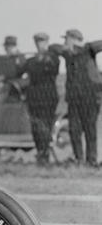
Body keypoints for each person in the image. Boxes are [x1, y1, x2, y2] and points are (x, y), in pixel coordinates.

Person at [50, 29, 102, 165]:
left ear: (74, 38)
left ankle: (91, 160)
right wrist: (68, 48)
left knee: (90, 130)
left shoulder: (88, 50)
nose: (64, 41)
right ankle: (79, 159)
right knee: (74, 130)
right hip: (74, 99)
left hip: (90, 98)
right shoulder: (67, 54)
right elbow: (53, 47)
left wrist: (84, 46)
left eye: (66, 38)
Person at [21, 33, 60, 165]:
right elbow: (19, 71)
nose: (40, 44)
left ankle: (45, 153)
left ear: (47, 42)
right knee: (36, 128)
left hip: (48, 98)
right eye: (37, 42)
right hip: (34, 98)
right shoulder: (31, 61)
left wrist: (46, 56)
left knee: (46, 126)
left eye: (42, 41)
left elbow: (54, 70)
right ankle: (40, 152)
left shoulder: (53, 59)